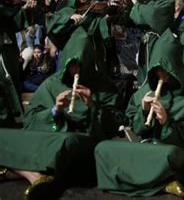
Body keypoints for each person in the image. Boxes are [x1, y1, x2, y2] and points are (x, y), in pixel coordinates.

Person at [0, 27, 124, 198]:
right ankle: (32, 174)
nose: (76, 71)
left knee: (65, 143)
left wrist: (92, 105)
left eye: (81, 65)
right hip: (49, 136)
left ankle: (19, 168)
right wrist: (55, 110)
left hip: (81, 139)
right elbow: (29, 120)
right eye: (72, 65)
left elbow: (116, 124)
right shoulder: (52, 83)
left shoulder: (103, 86)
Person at [95, 29, 184, 197]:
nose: (161, 75)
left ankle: (138, 181)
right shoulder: (146, 90)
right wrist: (143, 113)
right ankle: (162, 182)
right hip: (146, 146)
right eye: (157, 70)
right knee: (102, 148)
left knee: (169, 155)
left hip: (172, 149)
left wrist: (167, 123)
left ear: (175, 67)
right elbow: (134, 126)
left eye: (165, 70)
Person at [47, 0, 111, 74]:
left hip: (88, 50)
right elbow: (53, 24)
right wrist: (69, 17)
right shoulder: (64, 6)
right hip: (68, 48)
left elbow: (99, 25)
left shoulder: (94, 10)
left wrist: (108, 15)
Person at [127, 0, 176, 85]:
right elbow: (139, 21)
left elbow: (153, 15)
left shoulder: (168, 2)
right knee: (144, 68)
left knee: (155, 72)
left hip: (160, 42)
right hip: (148, 42)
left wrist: (136, 4)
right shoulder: (151, 3)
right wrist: (126, 8)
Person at [0, 0, 36, 127]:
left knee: (11, 80)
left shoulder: (5, 8)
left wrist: (25, 11)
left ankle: (14, 116)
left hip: (7, 48)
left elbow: (15, 23)